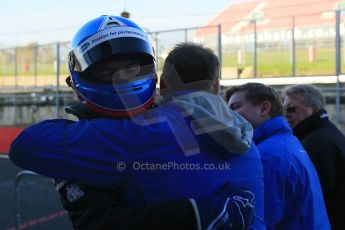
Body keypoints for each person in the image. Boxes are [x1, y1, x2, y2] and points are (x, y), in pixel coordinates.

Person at [9, 15, 265, 229]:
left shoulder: (137, 135)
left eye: (130, 68)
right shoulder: (244, 133)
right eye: (108, 71)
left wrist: (193, 214)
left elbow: (24, 146)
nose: (121, 78)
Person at [226, 83, 330, 229]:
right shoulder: (287, 143)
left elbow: (263, 219)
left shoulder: (269, 155)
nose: (229, 115)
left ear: (264, 108)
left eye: (235, 107)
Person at [282, 84, 345, 230]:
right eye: (283, 109)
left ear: (315, 109)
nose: (286, 114)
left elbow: (314, 194)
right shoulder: (324, 132)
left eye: (292, 109)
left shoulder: (317, 144)